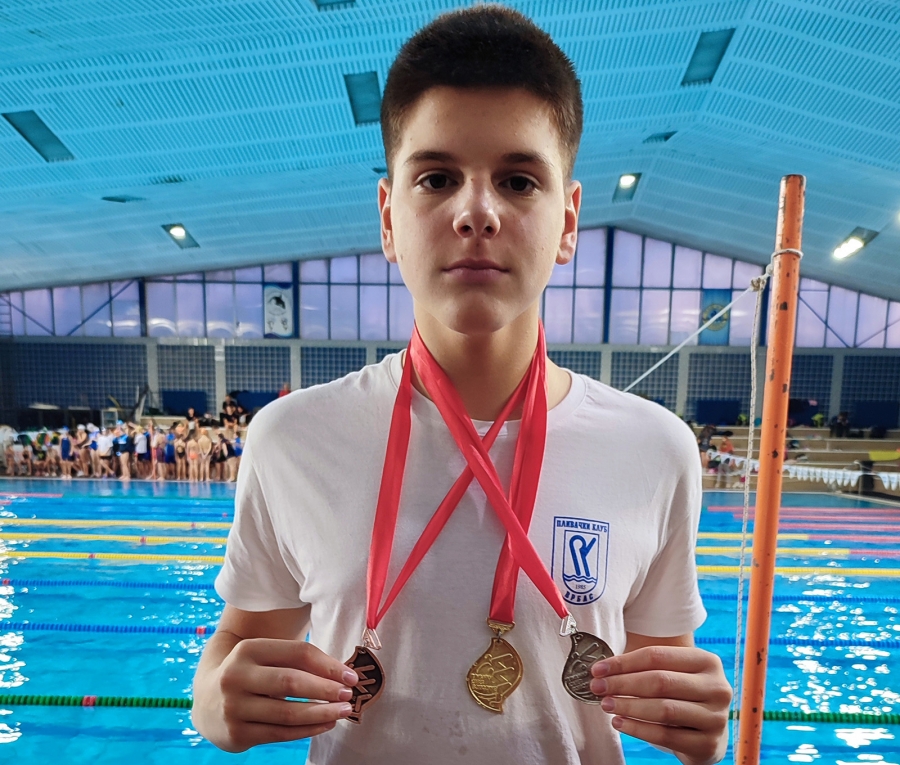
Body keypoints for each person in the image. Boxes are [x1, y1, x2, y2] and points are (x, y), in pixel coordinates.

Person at [191, 8, 730, 765]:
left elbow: (668, 676)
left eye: (518, 181)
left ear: (568, 221)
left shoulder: (655, 448)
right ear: (389, 217)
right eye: (437, 178)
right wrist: (212, 700)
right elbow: (236, 643)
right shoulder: (292, 438)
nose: (477, 212)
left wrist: (698, 724)